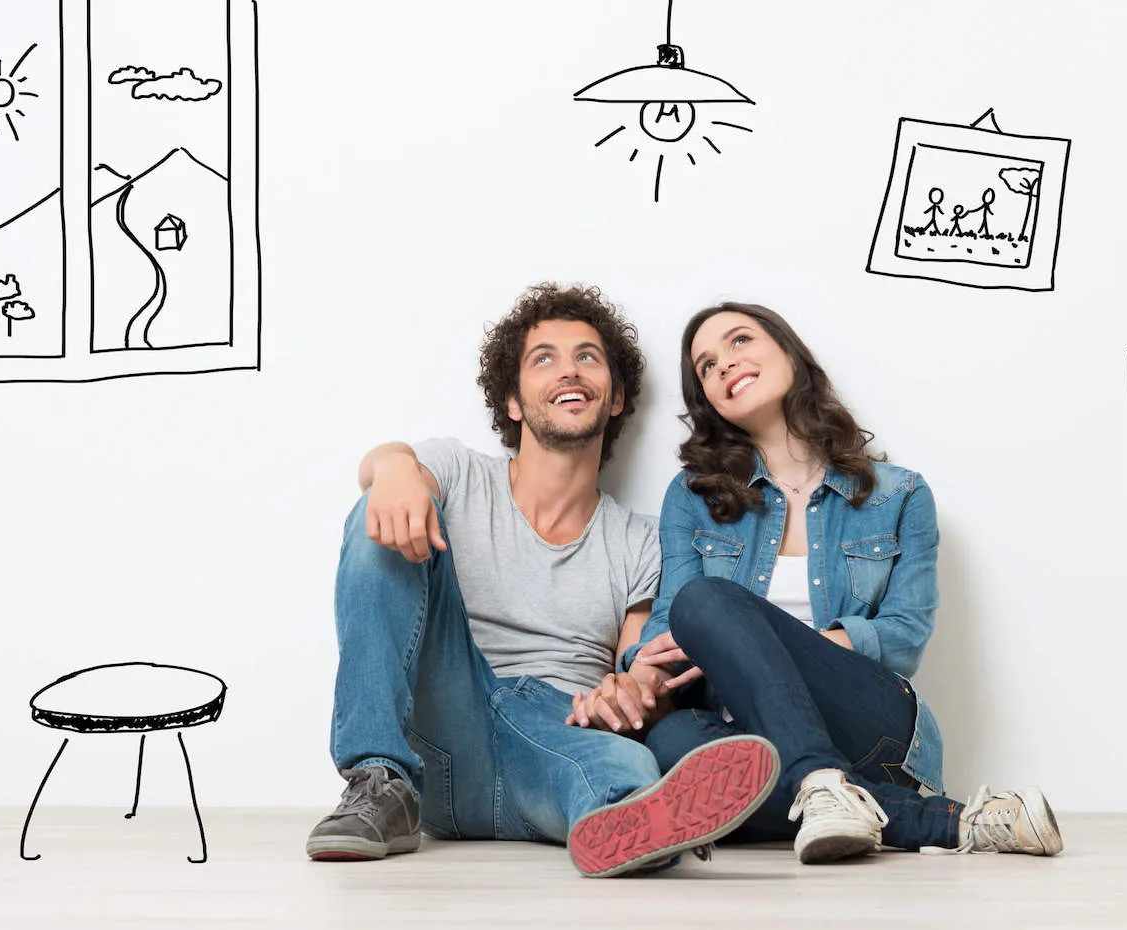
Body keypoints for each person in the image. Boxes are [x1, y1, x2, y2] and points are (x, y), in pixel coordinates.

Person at [307, 284, 779, 878]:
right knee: (383, 515)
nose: (568, 371)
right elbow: (385, 469)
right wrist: (394, 466)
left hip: (556, 748)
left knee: (616, 765)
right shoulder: (459, 473)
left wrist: (634, 692)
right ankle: (377, 779)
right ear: (512, 401)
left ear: (615, 399)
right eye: (544, 359)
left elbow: (636, 664)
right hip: (441, 733)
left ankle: (631, 819)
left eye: (587, 356)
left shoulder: (641, 539)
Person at [566, 301, 1062, 864]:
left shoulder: (899, 495)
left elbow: (903, 636)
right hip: (746, 734)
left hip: (873, 726)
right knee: (675, 743)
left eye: (740, 341)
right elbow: (669, 631)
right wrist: (637, 674)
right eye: (705, 366)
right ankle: (942, 819)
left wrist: (760, 645)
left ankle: (823, 777)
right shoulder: (694, 498)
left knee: (709, 601)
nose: (724, 365)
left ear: (790, 354)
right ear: (707, 399)